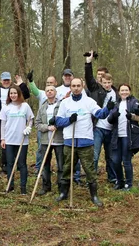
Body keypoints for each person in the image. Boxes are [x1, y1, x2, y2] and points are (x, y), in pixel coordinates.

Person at [55, 78, 115, 206]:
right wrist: (69, 120)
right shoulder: (65, 103)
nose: (76, 88)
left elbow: (100, 114)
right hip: (69, 141)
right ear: (70, 87)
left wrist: (107, 109)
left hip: (85, 141)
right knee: (67, 168)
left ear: (82, 86)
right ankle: (64, 193)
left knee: (89, 169)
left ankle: (94, 195)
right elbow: (58, 121)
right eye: (73, 86)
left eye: (78, 85)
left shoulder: (89, 101)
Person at [85, 50, 118, 184]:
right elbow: (89, 78)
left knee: (110, 156)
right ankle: (91, 179)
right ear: (101, 81)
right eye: (104, 82)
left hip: (111, 129)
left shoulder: (117, 93)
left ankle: (112, 177)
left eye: (109, 82)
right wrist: (88, 63)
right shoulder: (96, 89)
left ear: (111, 81)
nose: (106, 84)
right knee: (95, 155)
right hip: (98, 128)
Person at [107, 84, 139, 190]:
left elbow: (138, 111)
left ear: (130, 91)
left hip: (128, 136)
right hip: (116, 136)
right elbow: (109, 120)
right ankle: (120, 182)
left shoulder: (134, 101)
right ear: (119, 92)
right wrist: (113, 116)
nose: (124, 92)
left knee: (126, 160)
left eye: (126, 90)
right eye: (122, 90)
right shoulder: (116, 103)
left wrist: (136, 111)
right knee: (115, 160)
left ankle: (129, 184)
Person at [0, 72, 30, 174]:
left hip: (16, 121)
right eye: (4, 80)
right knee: (3, 146)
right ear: (1, 81)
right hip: (1, 121)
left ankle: (18, 164)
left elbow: (26, 94)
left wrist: (21, 84)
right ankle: (5, 167)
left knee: (17, 145)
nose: (6, 82)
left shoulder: (15, 90)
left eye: (8, 80)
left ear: (10, 80)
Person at [0, 84, 34, 195]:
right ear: (9, 95)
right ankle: (10, 185)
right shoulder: (6, 107)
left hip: (22, 140)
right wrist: (2, 139)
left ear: (19, 94)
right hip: (9, 140)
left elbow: (30, 119)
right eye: (11, 93)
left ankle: (23, 187)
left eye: (15, 93)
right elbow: (3, 124)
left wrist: (29, 127)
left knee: (22, 163)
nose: (13, 95)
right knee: (9, 163)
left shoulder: (25, 106)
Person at [26, 71, 58, 175]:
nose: (49, 85)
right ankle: (39, 167)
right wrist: (31, 81)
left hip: (56, 130)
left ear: (56, 83)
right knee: (41, 149)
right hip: (43, 127)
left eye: (51, 83)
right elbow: (34, 90)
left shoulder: (60, 93)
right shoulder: (42, 93)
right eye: (48, 83)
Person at [35, 85, 64, 195]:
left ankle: (62, 187)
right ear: (45, 93)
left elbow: (65, 120)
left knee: (61, 165)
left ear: (55, 92)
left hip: (59, 139)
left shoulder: (61, 105)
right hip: (45, 140)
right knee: (45, 164)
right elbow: (37, 124)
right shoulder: (42, 107)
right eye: (47, 90)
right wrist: (47, 127)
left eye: (52, 90)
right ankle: (46, 186)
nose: (50, 92)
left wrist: (58, 124)